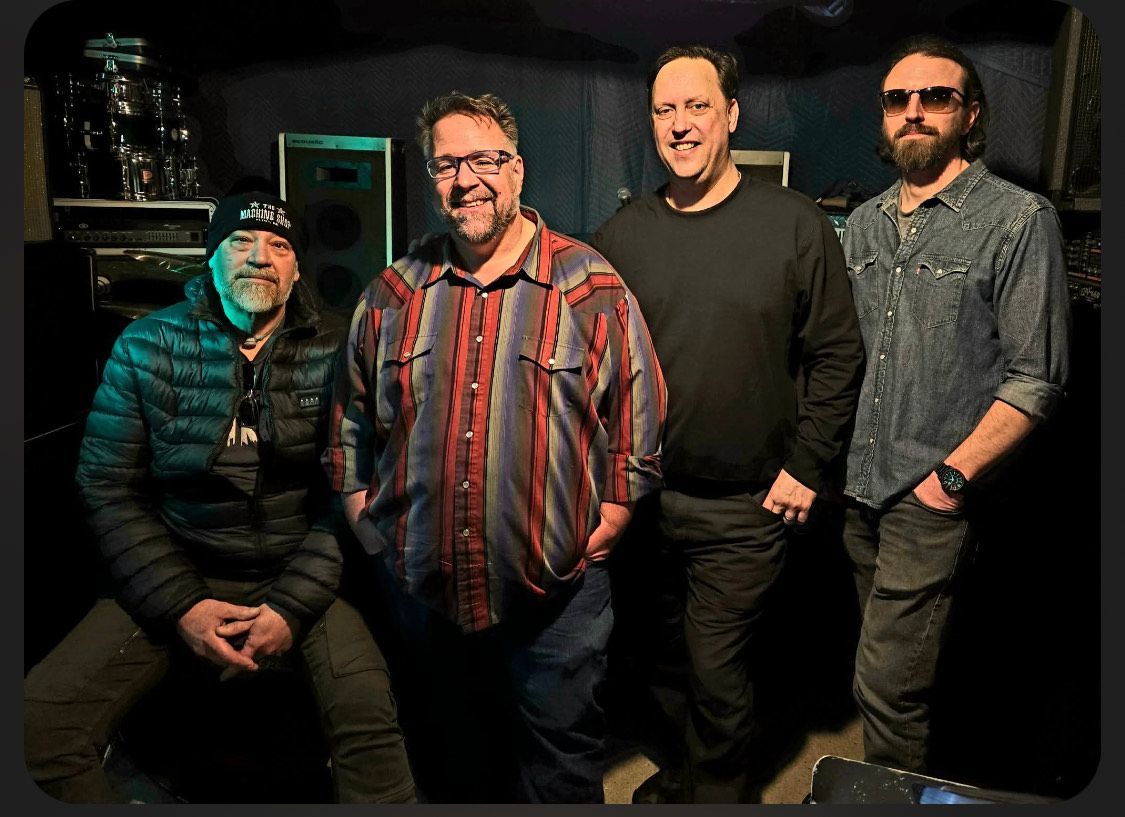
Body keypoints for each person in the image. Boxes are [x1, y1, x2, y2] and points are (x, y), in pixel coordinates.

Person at [323, 91, 665, 803]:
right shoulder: (392, 292)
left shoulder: (589, 285)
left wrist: (612, 519)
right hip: (425, 596)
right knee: (453, 766)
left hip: (557, 598)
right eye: (446, 164)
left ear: (516, 169)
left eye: (483, 159)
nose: (465, 179)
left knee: (561, 770)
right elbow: (349, 422)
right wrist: (366, 522)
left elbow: (638, 415)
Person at [24, 191, 415, 804]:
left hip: (302, 575)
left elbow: (354, 491)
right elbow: (106, 485)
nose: (260, 257)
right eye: (241, 241)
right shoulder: (146, 344)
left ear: (296, 269)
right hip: (179, 568)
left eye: (279, 245)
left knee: (371, 729)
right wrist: (182, 605)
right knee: (37, 727)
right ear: (210, 258)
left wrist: (291, 606)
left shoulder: (341, 346)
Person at [593, 45, 865, 803]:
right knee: (660, 663)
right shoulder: (621, 235)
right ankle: (682, 774)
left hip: (744, 509)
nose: (679, 125)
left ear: (732, 115)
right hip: (646, 502)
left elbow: (837, 353)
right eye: (664, 110)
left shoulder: (794, 225)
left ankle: (713, 796)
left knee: (716, 670)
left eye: (697, 106)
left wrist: (805, 467)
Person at [840, 34, 1070, 774]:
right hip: (860, 491)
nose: (913, 111)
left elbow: (1036, 377)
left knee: (886, 689)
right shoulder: (865, 222)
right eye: (897, 99)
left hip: (931, 496)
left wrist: (949, 481)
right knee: (897, 673)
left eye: (934, 97)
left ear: (970, 114)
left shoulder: (1018, 218)